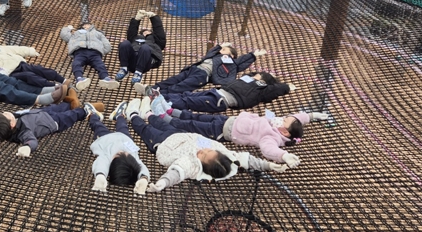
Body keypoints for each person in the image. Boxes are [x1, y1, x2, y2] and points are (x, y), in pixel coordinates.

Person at [122, 99, 286, 193]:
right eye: (208, 151)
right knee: (160, 122)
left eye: (203, 155)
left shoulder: (192, 164)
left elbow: (177, 173)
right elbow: (246, 159)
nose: (203, 151)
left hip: (163, 144)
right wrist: (269, 165)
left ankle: (133, 115)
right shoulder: (223, 154)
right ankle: (148, 113)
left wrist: (162, 184)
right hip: (181, 135)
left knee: (146, 130)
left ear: (202, 165)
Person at [140, 104, 330, 169]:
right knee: (198, 117)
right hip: (229, 120)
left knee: (194, 126)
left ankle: (166, 120)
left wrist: (283, 155)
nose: (284, 118)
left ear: (285, 133)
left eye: (285, 121)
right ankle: (173, 112)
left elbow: (268, 150)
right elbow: (297, 118)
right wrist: (312, 116)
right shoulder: (282, 125)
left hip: (223, 132)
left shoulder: (271, 137)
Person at [0, 101, 105, 158]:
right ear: (12, 124)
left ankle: (71, 103)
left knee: (60, 107)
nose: (6, 113)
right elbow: (31, 140)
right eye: (6, 115)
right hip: (53, 123)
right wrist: (27, 148)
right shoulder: (23, 132)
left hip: (41, 112)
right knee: (70, 115)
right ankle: (85, 111)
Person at [134, 42, 266, 95]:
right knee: (174, 79)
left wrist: (253, 55)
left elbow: (240, 63)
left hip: (203, 75)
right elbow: (209, 54)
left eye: (225, 50)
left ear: (231, 55)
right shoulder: (215, 56)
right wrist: (219, 46)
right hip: (194, 69)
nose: (221, 51)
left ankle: (159, 95)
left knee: (182, 86)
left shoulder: (231, 64)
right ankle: (152, 88)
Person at [147, 72, 295, 114]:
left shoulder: (261, 89)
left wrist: (287, 87)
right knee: (186, 95)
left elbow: (274, 90)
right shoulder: (248, 80)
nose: (255, 74)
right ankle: (156, 97)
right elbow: (247, 76)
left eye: (259, 74)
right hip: (217, 93)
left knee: (188, 101)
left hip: (221, 101)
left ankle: (157, 105)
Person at [87, 101, 150, 195]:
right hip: (124, 138)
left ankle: (92, 115)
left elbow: (101, 164)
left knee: (98, 126)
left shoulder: (107, 157)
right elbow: (142, 167)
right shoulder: (134, 160)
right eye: (127, 154)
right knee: (123, 126)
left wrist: (100, 175)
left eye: (119, 154)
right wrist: (144, 178)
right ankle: (119, 115)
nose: (122, 151)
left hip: (105, 138)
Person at [0, 39, 65, 89]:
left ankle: (62, 80)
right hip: (10, 72)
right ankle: (54, 86)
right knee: (30, 76)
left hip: (19, 63)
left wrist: (29, 51)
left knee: (38, 69)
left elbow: (13, 49)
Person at [59, 22, 120, 91]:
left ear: (91, 26)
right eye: (83, 25)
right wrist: (68, 28)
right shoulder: (76, 33)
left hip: (94, 52)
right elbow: (64, 35)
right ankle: (79, 78)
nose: (85, 26)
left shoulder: (97, 33)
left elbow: (106, 44)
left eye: (87, 25)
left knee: (100, 64)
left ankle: (105, 78)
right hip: (80, 51)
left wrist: (102, 51)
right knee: (76, 63)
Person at [114, 10, 166, 85]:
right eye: (144, 31)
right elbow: (131, 31)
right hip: (132, 60)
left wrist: (153, 18)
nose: (146, 31)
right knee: (125, 43)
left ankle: (138, 73)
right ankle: (124, 69)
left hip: (146, 61)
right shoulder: (135, 38)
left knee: (145, 47)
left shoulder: (156, 40)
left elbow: (159, 31)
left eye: (148, 31)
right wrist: (136, 19)